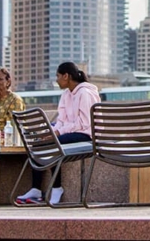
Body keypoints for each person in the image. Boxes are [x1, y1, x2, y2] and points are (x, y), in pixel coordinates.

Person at [15, 62, 100, 205]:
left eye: (58, 76)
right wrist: (53, 131)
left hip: (87, 135)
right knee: (40, 142)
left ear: (66, 76)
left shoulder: (85, 93)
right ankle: (36, 189)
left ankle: (57, 187)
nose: (57, 79)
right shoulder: (66, 94)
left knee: (54, 143)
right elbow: (61, 120)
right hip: (72, 133)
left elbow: (84, 124)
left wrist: (58, 132)